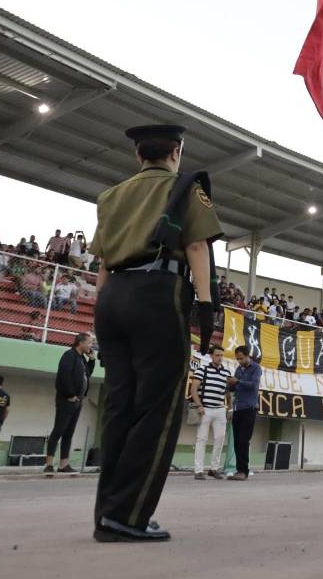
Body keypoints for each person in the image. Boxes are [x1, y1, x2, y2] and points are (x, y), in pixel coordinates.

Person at [89, 124, 222, 543]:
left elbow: (104, 264)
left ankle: (108, 514)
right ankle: (129, 515)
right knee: (158, 409)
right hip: (158, 295)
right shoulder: (186, 188)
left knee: (118, 407)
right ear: (177, 152)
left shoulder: (112, 195)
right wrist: (205, 307)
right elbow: (198, 247)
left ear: (138, 156)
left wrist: (100, 309)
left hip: (113, 299)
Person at [45, 332, 96, 475]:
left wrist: (91, 360)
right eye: (91, 342)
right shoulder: (69, 355)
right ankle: (49, 464)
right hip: (67, 399)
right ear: (81, 342)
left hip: (78, 400)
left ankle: (63, 465)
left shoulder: (81, 359)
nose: (92, 345)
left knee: (69, 432)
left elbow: (87, 375)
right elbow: (64, 375)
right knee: (59, 430)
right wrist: (70, 394)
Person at [189, 348, 234, 480]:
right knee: (201, 439)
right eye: (217, 355)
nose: (219, 358)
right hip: (205, 409)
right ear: (211, 356)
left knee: (219, 439)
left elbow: (228, 393)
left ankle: (214, 469)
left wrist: (230, 409)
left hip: (220, 409)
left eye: (221, 355)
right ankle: (198, 470)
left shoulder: (226, 372)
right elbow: (193, 389)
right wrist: (199, 405)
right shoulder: (202, 369)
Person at [229, 345, 262, 481]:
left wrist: (238, 381)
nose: (239, 361)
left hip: (249, 408)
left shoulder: (256, 368)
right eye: (237, 359)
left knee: (243, 440)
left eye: (241, 358)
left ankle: (244, 470)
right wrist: (230, 383)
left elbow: (254, 385)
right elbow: (234, 389)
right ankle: (238, 470)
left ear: (248, 356)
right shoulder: (238, 369)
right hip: (237, 408)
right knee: (236, 441)